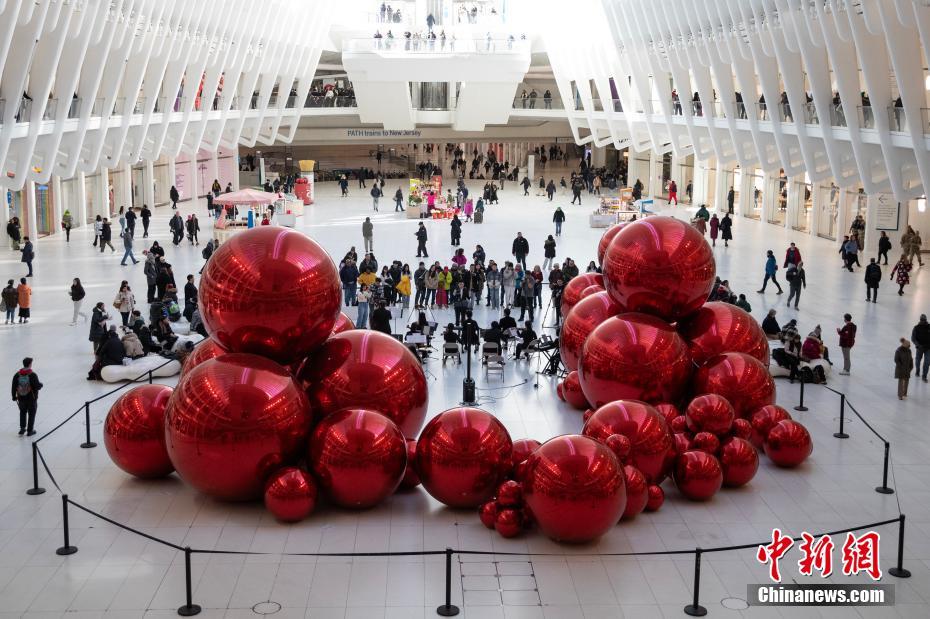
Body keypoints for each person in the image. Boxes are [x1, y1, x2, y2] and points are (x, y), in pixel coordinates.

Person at [12, 357, 42, 436]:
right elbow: (37, 386)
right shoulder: (32, 375)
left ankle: (22, 428)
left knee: (22, 412)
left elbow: (14, 386)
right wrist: (41, 385)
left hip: (21, 397)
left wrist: (13, 396)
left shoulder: (17, 374)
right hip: (31, 398)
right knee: (32, 413)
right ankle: (30, 430)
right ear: (29, 364)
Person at [912, 314, 930, 383]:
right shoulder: (916, 328)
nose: (923, 321)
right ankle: (917, 370)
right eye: (922, 320)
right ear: (920, 320)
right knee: (917, 360)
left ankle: (924, 376)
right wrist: (918, 345)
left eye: (924, 320)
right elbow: (913, 338)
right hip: (919, 348)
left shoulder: (929, 327)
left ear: (926, 320)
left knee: (927, 362)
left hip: (928, 348)